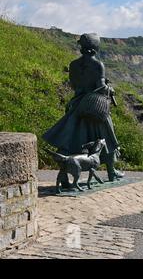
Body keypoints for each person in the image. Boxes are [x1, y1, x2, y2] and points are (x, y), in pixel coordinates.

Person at [43, 33, 124, 184]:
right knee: (107, 137)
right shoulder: (98, 65)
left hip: (77, 105)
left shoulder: (73, 65)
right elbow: (100, 87)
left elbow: (74, 85)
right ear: (95, 48)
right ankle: (111, 172)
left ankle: (65, 178)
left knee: (70, 139)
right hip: (94, 106)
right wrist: (110, 89)